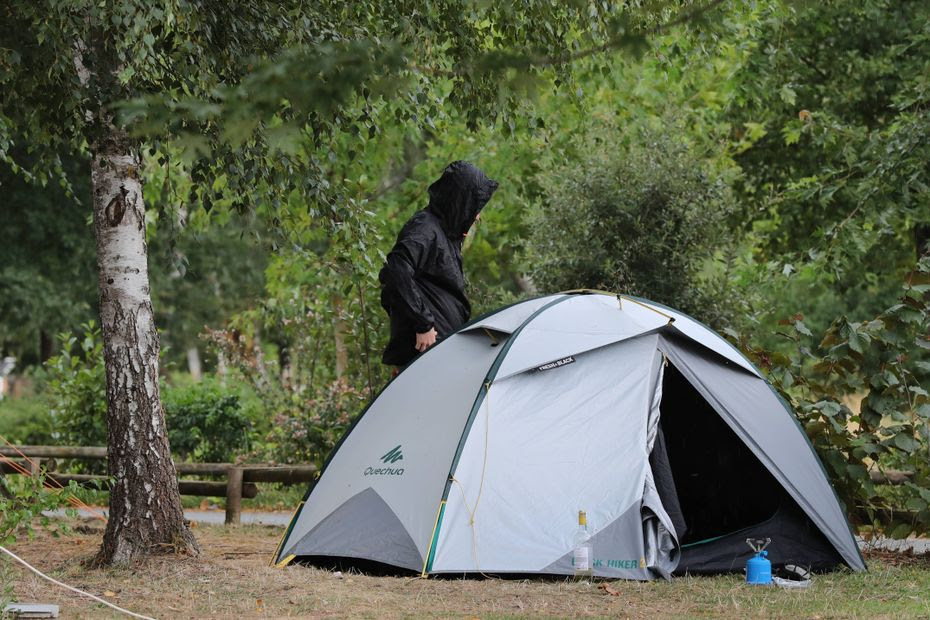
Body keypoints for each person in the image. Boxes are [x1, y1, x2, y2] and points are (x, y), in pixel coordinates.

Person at [379, 161, 499, 368]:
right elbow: (396, 270)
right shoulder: (425, 228)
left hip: (440, 351)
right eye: (475, 208)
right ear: (460, 202)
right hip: (424, 350)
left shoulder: (445, 234)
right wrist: (423, 323)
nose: (477, 216)